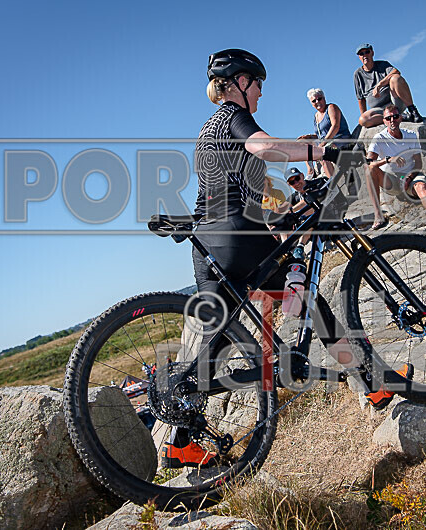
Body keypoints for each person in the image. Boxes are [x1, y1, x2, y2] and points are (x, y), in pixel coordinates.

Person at [168, 49, 413, 467]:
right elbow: (262, 147)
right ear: (241, 83)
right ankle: (373, 381)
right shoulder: (233, 116)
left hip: (207, 242)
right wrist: (324, 152)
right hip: (236, 237)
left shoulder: (206, 130)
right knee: (310, 296)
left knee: (217, 335)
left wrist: (285, 214)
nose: (261, 93)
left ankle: (180, 443)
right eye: (258, 84)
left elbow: (240, 193)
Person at [365, 105, 426, 228]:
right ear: (384, 121)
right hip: (391, 180)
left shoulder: (411, 135)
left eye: (395, 116)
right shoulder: (379, 138)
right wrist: (388, 160)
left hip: (410, 177)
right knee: (370, 170)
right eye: (388, 118)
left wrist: (409, 177)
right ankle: (378, 214)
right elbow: (369, 163)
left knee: (421, 187)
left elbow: (418, 162)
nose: (392, 120)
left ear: (401, 118)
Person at [353, 43, 424, 127]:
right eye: (361, 54)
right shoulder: (358, 74)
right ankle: (399, 117)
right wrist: (363, 114)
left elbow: (396, 72)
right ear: (359, 57)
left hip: (395, 105)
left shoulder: (383, 65)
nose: (365, 55)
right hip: (379, 110)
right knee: (363, 120)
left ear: (372, 53)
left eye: (367, 52)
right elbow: (360, 99)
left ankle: (413, 111)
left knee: (395, 78)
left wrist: (379, 85)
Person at [299, 89, 352, 178]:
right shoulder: (316, 116)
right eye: (314, 101)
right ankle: (311, 170)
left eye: (319, 99)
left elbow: (335, 126)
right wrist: (310, 136)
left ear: (324, 98)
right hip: (326, 141)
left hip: (340, 139)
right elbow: (322, 134)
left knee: (322, 153)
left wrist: (323, 143)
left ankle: (333, 184)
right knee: (303, 143)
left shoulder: (331, 107)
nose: (317, 102)